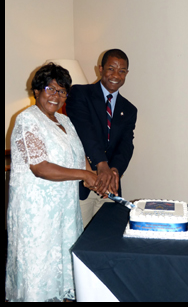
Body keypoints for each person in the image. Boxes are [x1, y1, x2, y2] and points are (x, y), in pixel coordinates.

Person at [5, 63, 100, 302]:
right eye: (50, 88)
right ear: (37, 90)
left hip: (64, 211)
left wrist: (94, 178)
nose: (56, 96)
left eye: (62, 91)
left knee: (62, 269)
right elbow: (40, 167)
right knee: (39, 273)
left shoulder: (65, 121)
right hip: (36, 214)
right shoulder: (27, 120)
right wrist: (84, 175)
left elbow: (80, 157)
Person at [66, 49, 137, 227]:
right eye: (111, 69)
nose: (116, 75)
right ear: (100, 69)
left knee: (105, 240)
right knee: (78, 241)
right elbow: (85, 131)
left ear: (126, 74)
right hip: (83, 185)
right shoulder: (80, 94)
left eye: (122, 71)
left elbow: (126, 146)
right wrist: (101, 164)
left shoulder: (129, 109)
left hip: (110, 189)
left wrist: (114, 172)